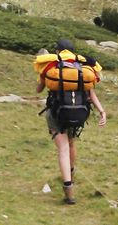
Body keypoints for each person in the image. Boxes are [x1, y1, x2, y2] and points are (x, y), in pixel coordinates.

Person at [36, 39, 106, 205]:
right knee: (71, 143)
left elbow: (39, 89)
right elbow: (91, 94)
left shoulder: (52, 65)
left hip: (56, 113)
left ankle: (69, 190)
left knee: (63, 148)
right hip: (79, 113)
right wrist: (102, 112)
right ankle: (71, 174)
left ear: (58, 50)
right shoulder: (83, 68)